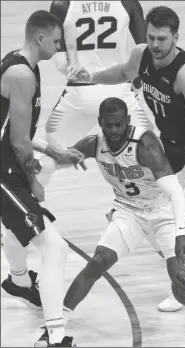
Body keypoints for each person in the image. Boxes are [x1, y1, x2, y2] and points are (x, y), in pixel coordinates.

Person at [70, 5, 185, 311]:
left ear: (175, 37)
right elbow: (121, 72)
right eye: (152, 37)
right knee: (157, 211)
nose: (155, 45)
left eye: (162, 39)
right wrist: (89, 77)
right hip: (167, 145)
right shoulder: (142, 55)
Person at [35, 97, 185, 348]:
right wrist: (39, 165)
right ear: (100, 123)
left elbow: (175, 191)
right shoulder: (95, 144)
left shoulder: (146, 146)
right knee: (98, 262)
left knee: (181, 276)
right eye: (108, 125)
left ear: (127, 121)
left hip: (162, 209)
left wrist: (181, 233)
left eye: (119, 124)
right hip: (128, 211)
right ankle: (56, 325)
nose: (114, 130)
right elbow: (64, 158)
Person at [0, 10, 85, 347]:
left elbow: (19, 131)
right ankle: (54, 337)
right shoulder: (22, 74)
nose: (58, 46)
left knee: (22, 231)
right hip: (4, 175)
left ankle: (19, 282)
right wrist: (33, 181)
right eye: (55, 41)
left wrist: (58, 152)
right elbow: (18, 141)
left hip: (7, 167)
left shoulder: (21, 65)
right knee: (55, 248)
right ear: (39, 38)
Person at [45, 0, 153, 147]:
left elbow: (60, 62)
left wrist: (73, 69)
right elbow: (147, 52)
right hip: (120, 90)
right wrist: (138, 82)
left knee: (53, 153)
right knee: (147, 151)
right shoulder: (129, 3)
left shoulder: (61, 5)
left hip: (79, 93)